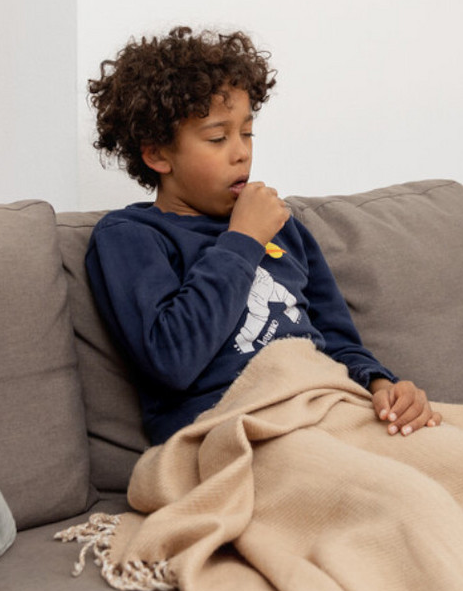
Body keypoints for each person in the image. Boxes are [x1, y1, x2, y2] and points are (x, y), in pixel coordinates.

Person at [85, 26, 439, 445]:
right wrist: (243, 240)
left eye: (247, 132)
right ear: (157, 154)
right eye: (217, 137)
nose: (241, 152)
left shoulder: (282, 225)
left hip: (324, 405)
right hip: (233, 429)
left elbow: (338, 343)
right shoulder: (130, 237)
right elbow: (172, 359)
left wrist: (382, 385)